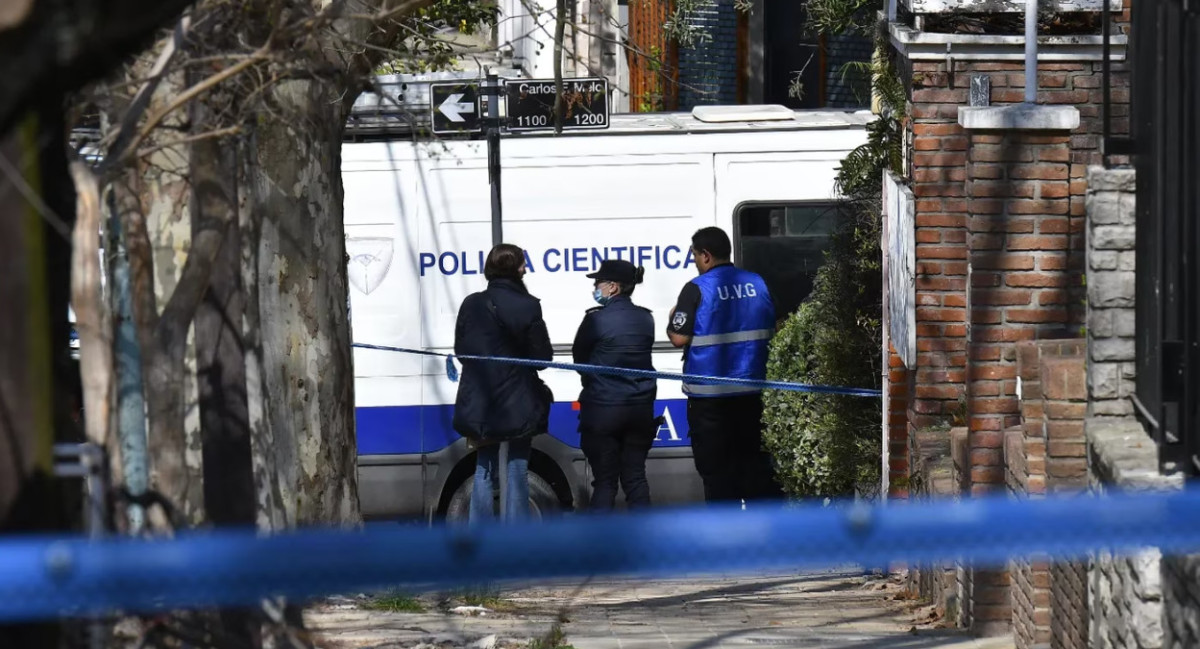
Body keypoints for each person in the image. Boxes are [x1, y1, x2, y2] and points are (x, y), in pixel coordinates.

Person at [666, 227, 784, 505]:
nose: (694, 261)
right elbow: (778, 325)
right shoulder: (757, 283)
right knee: (756, 470)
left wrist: (673, 315)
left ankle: (725, 538)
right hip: (754, 396)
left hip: (711, 402)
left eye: (694, 255)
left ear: (706, 255)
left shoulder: (696, 289)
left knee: (718, 477)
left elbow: (677, 337)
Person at [452, 243, 554, 523]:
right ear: (516, 269)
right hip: (519, 402)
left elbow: (461, 352)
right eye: (523, 263)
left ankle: (480, 537)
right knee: (517, 468)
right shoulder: (529, 305)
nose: (526, 268)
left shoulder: (471, 304)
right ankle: (516, 540)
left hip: (481, 401)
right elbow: (542, 357)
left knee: (484, 468)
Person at [571, 260, 657, 511]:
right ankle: (644, 545)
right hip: (640, 409)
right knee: (636, 478)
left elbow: (580, 360)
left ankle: (601, 547)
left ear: (613, 287)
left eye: (598, 283)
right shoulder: (646, 319)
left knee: (606, 483)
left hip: (603, 410)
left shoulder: (596, 320)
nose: (595, 287)